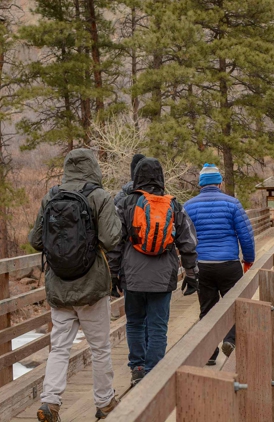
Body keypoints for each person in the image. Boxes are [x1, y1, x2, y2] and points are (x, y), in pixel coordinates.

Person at [29, 149, 122, 422]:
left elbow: (35, 240)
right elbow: (111, 238)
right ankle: (104, 402)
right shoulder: (100, 196)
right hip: (92, 287)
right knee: (100, 348)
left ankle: (50, 402)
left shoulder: (51, 197)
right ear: (93, 168)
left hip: (59, 287)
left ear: (67, 168)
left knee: (59, 348)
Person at [108, 157, 198, 386]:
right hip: (162, 276)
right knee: (158, 326)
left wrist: (113, 274)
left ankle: (137, 368)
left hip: (133, 276)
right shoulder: (174, 205)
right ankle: (155, 372)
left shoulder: (126, 203)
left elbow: (115, 242)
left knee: (135, 323)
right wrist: (191, 273)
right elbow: (187, 241)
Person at [184, 163, 255, 365]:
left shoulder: (188, 206)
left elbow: (184, 238)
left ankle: (209, 353)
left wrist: (188, 265)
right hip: (229, 264)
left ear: (201, 184)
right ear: (220, 183)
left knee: (207, 308)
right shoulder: (232, 204)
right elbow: (246, 236)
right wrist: (248, 259)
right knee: (234, 305)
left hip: (202, 265)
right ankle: (230, 340)